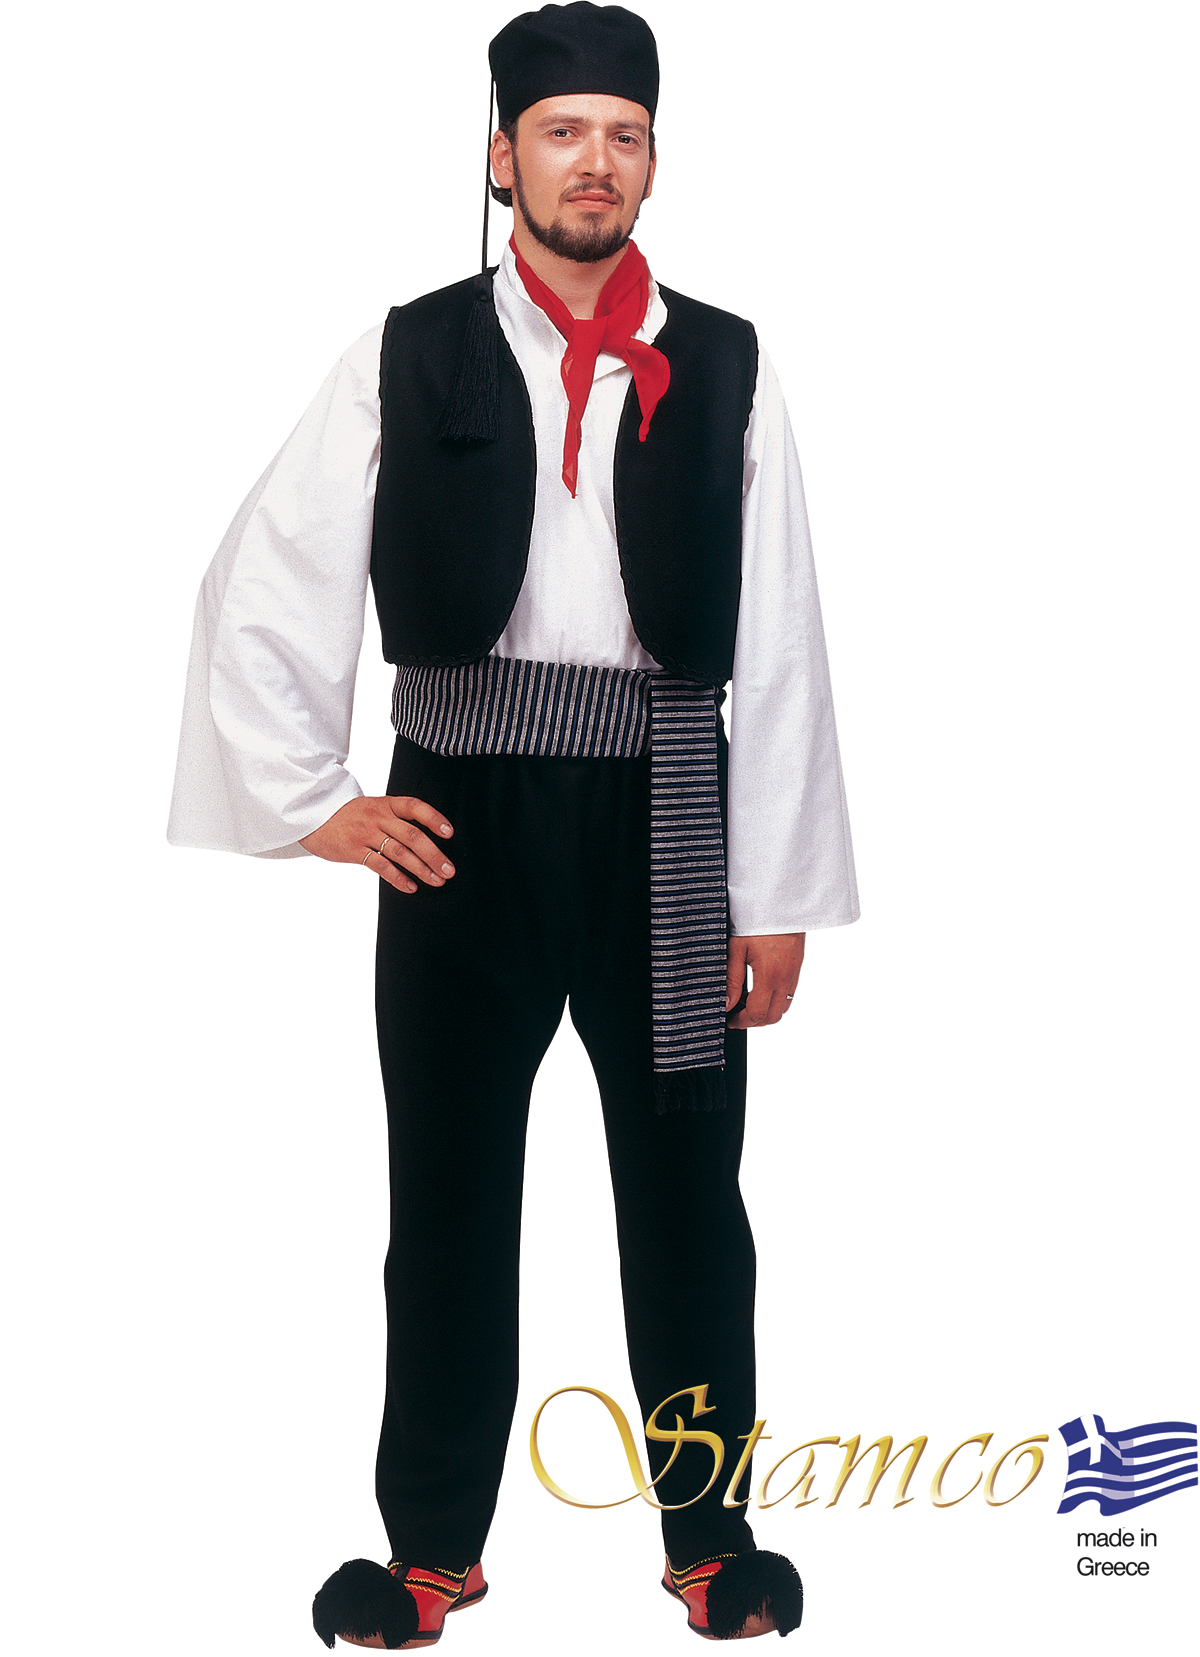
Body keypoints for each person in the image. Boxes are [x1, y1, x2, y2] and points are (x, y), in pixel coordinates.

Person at [168, 3, 858, 1645]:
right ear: (502, 157)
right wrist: (320, 805)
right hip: (459, 816)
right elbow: (262, 578)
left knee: (689, 1199)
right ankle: (430, 1548)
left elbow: (781, 631)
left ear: (651, 164)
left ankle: (711, 1536)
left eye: (623, 134)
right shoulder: (406, 350)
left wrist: (776, 888)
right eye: (561, 133)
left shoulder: (730, 363)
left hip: (669, 810)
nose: (592, 161)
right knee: (449, 1195)